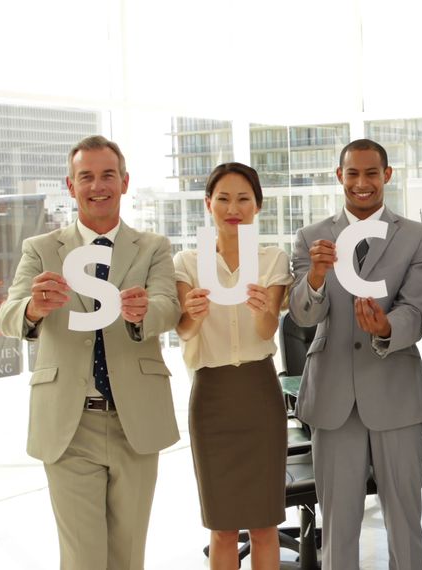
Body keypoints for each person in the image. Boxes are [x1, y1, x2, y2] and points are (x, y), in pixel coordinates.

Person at [0, 135, 180, 570]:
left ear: (125, 181)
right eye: (87, 177)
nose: (98, 186)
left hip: (134, 418)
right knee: (83, 558)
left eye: (107, 175)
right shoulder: (41, 249)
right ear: (71, 184)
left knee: (128, 554)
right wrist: (34, 308)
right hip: (68, 423)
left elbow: (168, 307)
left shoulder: (152, 247)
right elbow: (8, 314)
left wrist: (141, 314)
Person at [288, 138, 422, 570]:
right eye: (352, 173)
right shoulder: (310, 238)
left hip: (396, 393)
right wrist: (315, 277)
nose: (362, 182)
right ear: (340, 177)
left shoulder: (417, 237)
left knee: (406, 521)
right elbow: (302, 315)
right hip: (334, 397)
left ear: (386, 175)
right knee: (337, 526)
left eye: (371, 173)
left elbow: (417, 308)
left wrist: (387, 327)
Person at [173, 162, 291, 570]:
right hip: (212, 398)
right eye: (222, 198)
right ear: (208, 204)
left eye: (243, 198)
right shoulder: (187, 262)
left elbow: (268, 327)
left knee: (264, 525)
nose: (232, 208)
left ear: (258, 206)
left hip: (260, 394)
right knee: (221, 527)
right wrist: (194, 312)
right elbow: (186, 332)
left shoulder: (273, 257)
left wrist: (261, 308)